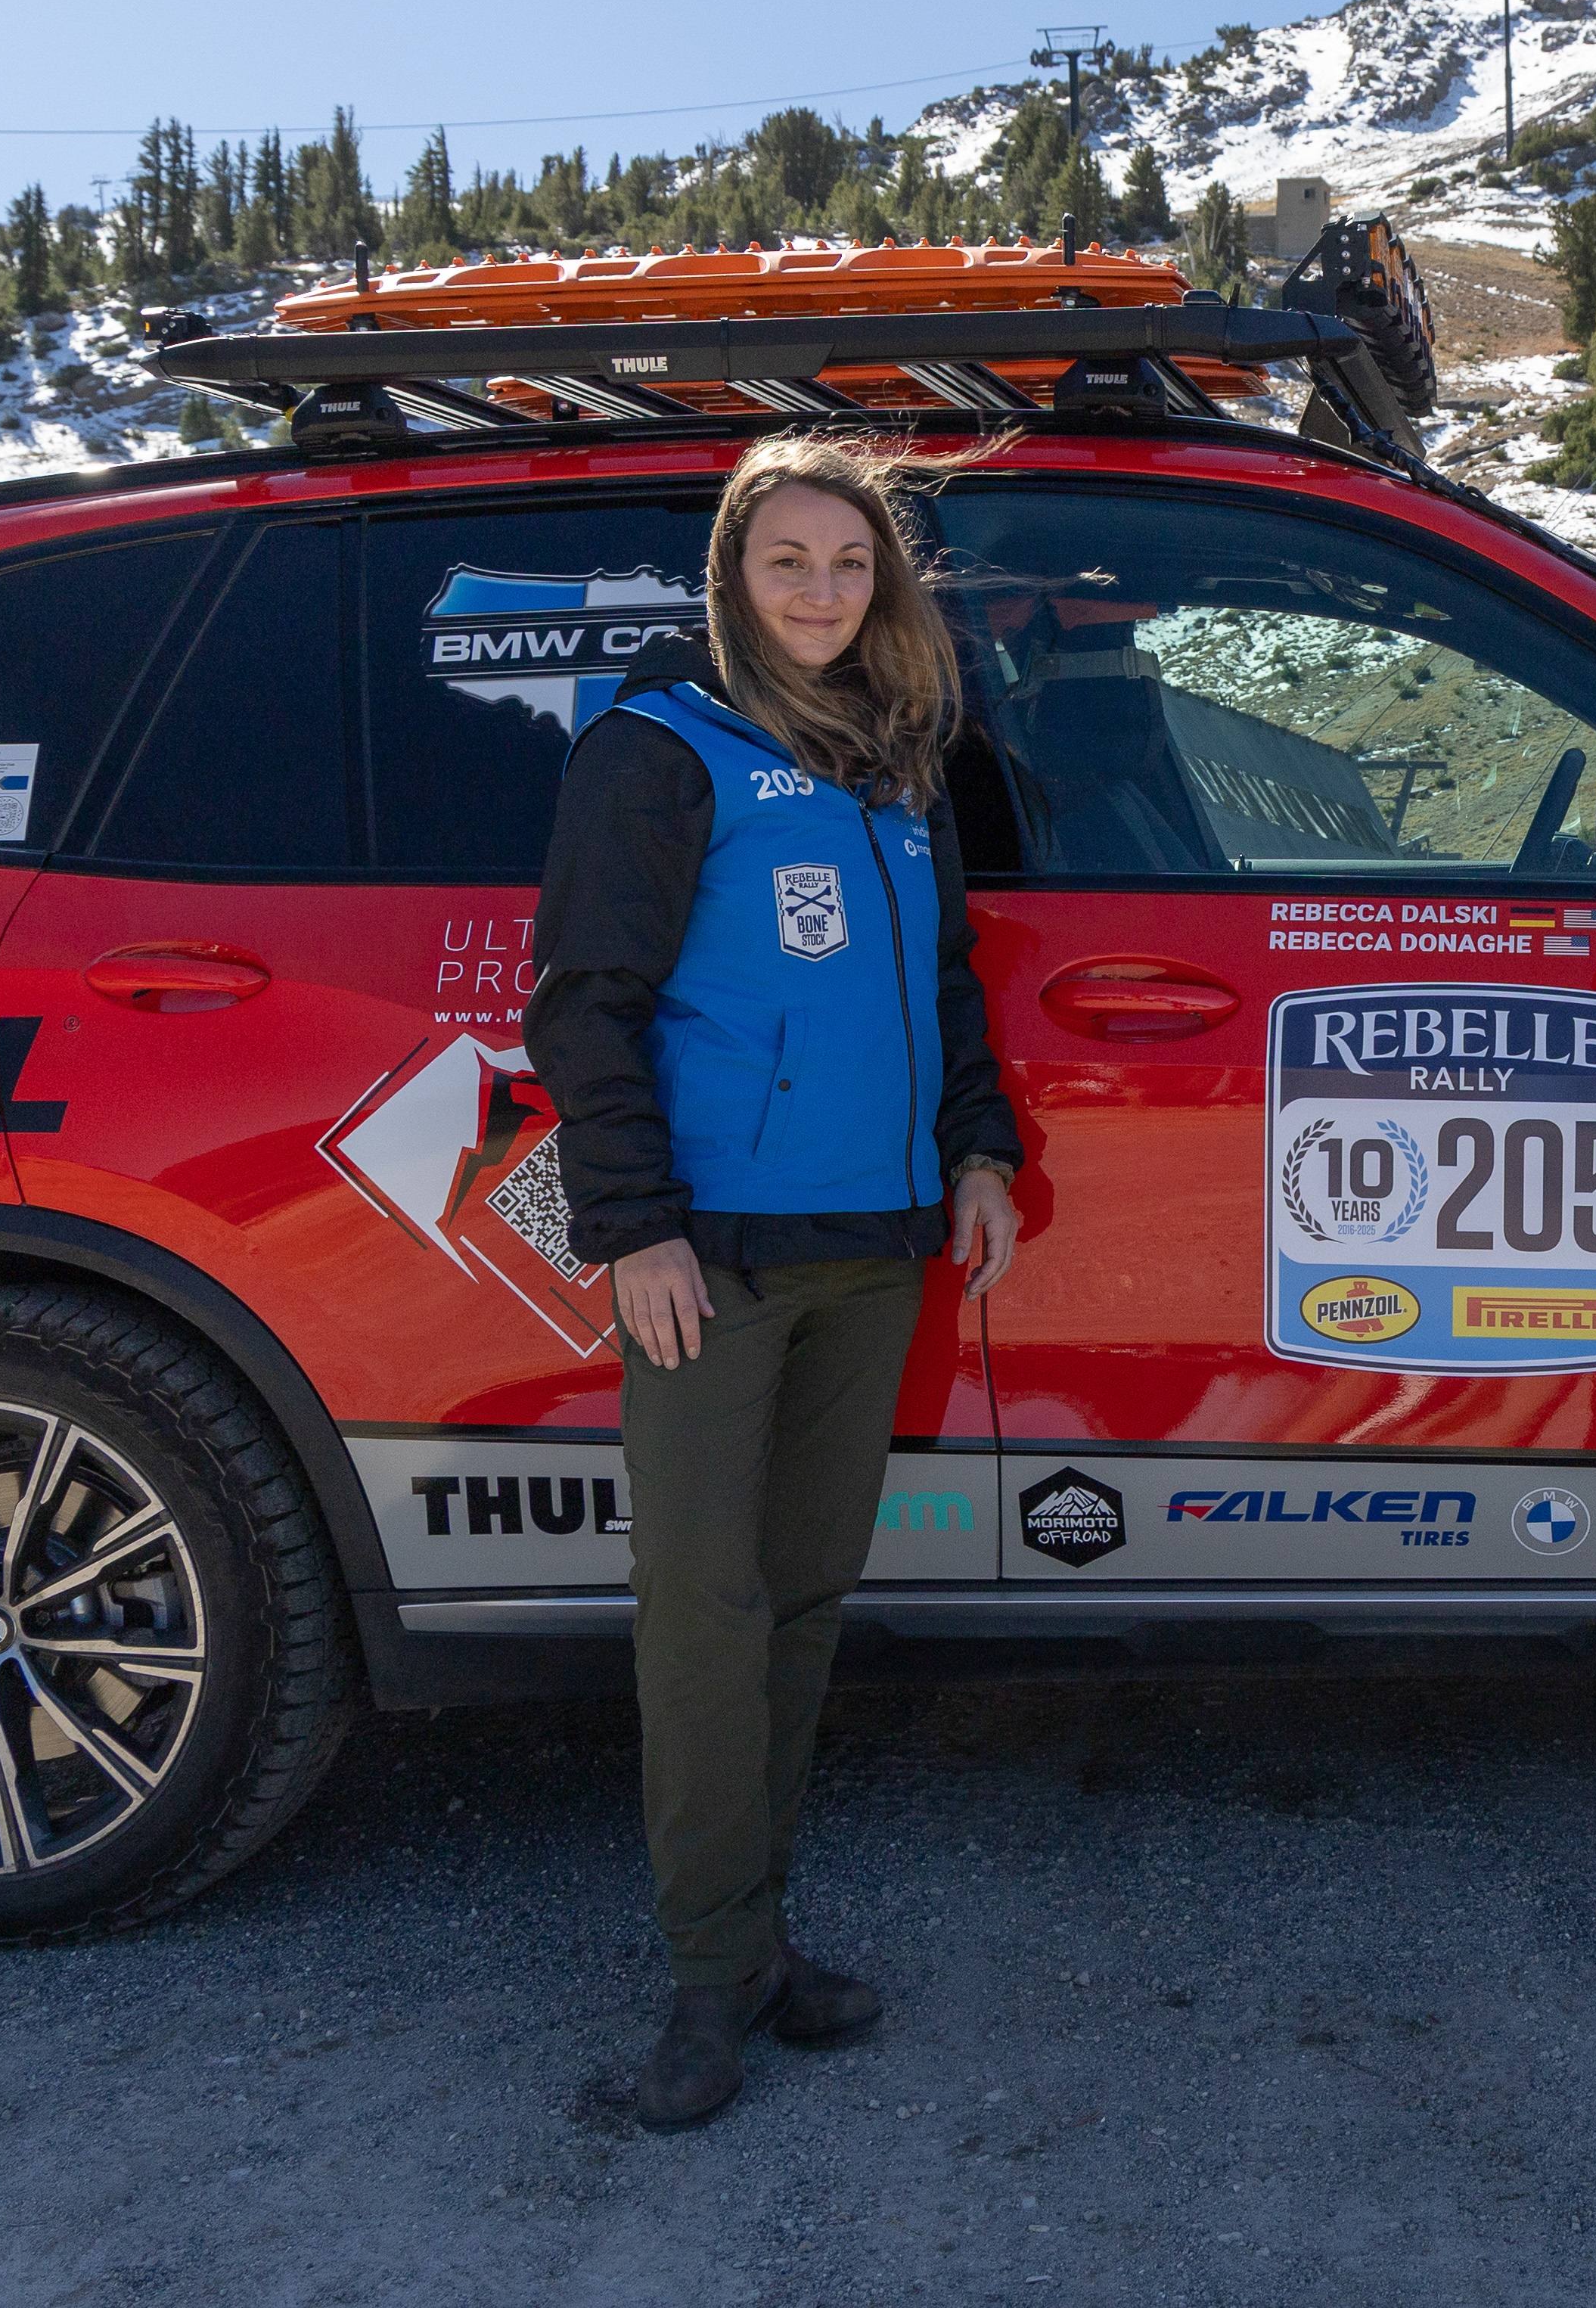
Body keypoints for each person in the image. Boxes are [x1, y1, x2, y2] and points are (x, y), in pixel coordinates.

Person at [528, 433, 1024, 2131]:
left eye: (847, 563)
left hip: (873, 1246)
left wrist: (977, 1147)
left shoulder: (896, 763)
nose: (820, 590)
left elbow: (946, 981)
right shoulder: (662, 750)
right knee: (703, 1612)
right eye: (784, 560)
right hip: (713, 1259)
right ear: (731, 577)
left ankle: (757, 1947)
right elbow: (581, 1005)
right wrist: (635, 1226)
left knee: (803, 1598)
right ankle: (700, 1978)